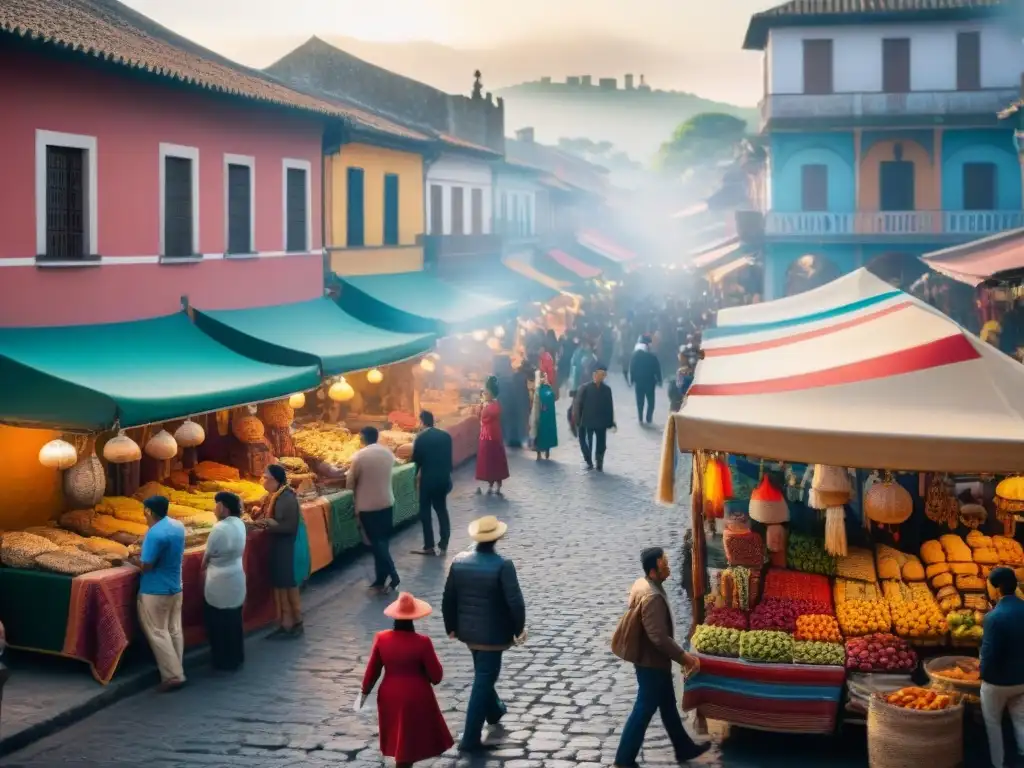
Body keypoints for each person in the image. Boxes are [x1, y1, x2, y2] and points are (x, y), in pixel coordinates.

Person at [611, 547, 708, 768]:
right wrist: (684, 657)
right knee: (643, 709)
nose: (668, 565)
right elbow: (658, 637)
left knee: (667, 706)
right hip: (651, 663)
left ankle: (683, 748)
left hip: (652, 662)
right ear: (653, 571)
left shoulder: (645, 585)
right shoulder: (653, 596)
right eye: (664, 563)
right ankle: (623, 760)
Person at [442, 516, 527, 752]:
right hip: (494, 634)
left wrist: (451, 626)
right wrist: (518, 629)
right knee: (484, 680)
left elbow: (449, 597)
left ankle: (495, 710)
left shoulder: (459, 561)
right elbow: (515, 603)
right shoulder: (503, 564)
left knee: (483, 674)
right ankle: (469, 739)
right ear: (497, 538)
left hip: (468, 632)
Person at [361, 592, 454, 767]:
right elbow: (437, 677)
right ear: (414, 617)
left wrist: (364, 692)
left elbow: (372, 672)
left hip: (390, 695)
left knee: (398, 738)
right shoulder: (423, 642)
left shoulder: (382, 639)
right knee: (409, 740)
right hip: (416, 696)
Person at [137, 495, 187, 690]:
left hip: (155, 589)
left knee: (158, 632)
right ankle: (177, 666)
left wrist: (130, 562)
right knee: (174, 629)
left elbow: (147, 565)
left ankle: (173, 676)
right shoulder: (177, 526)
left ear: (149, 511)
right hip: (175, 585)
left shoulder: (154, 533)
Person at [981, 567, 1024, 768]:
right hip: (1022, 679)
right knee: (1021, 721)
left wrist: (981, 675)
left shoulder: (994, 617)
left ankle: (998, 764)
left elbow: (989, 655)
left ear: (997, 589)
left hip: (997, 682)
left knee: (992, 723)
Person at [348, 426, 399, 593]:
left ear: (362, 438)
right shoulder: (387, 453)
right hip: (387, 502)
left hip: (367, 505)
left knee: (376, 543)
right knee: (382, 541)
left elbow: (350, 482)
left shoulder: (359, 457)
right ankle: (380, 579)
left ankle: (393, 574)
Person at [254, 464, 303, 637]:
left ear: (275, 480)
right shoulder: (274, 496)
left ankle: (295, 622)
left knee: (286, 583)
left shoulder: (286, 498)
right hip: (276, 546)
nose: (263, 481)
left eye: (265, 477)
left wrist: (268, 524)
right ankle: (285, 622)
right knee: (280, 584)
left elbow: (289, 526)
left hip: (284, 547)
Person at [202, 491, 247, 671]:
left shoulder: (219, 529)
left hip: (219, 580)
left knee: (218, 621)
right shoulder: (240, 524)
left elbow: (206, 558)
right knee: (234, 619)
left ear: (223, 508)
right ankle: (236, 656)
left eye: (216, 505)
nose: (214, 509)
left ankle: (222, 659)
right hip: (236, 575)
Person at [410, 410, 453, 556]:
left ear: (422, 422)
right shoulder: (446, 436)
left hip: (428, 480)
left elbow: (416, 459)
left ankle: (429, 546)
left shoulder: (420, 438)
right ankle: (444, 542)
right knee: (441, 510)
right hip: (443, 479)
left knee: (425, 512)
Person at [573, 363, 616, 471]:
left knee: (601, 443)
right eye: (598, 374)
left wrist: (610, 421)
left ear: (604, 376)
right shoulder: (585, 388)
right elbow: (578, 405)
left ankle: (599, 460)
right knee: (587, 442)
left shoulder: (607, 390)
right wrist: (578, 420)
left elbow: (609, 406)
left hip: (601, 421)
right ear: (593, 375)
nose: (600, 376)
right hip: (587, 421)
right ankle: (588, 460)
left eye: (602, 374)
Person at [476, 375, 510, 495]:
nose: (484, 393)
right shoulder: (490, 405)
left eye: (486, 392)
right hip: (489, 435)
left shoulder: (492, 406)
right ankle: (491, 482)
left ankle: (496, 482)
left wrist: (482, 408)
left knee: (493, 458)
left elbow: (484, 417)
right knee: (490, 459)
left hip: (491, 436)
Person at [629, 336, 663, 425]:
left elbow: (632, 368)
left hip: (639, 382)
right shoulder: (652, 357)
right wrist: (660, 380)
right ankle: (649, 418)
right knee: (651, 402)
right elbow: (657, 369)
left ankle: (640, 418)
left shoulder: (635, 356)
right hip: (650, 382)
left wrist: (632, 380)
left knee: (640, 401)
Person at [529, 370, 558, 460]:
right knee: (539, 434)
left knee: (545, 433)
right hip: (539, 416)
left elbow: (552, 399)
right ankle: (539, 453)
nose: (542, 379)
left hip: (547, 416)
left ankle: (546, 450)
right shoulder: (539, 390)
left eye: (544, 377)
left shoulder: (548, 389)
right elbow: (534, 403)